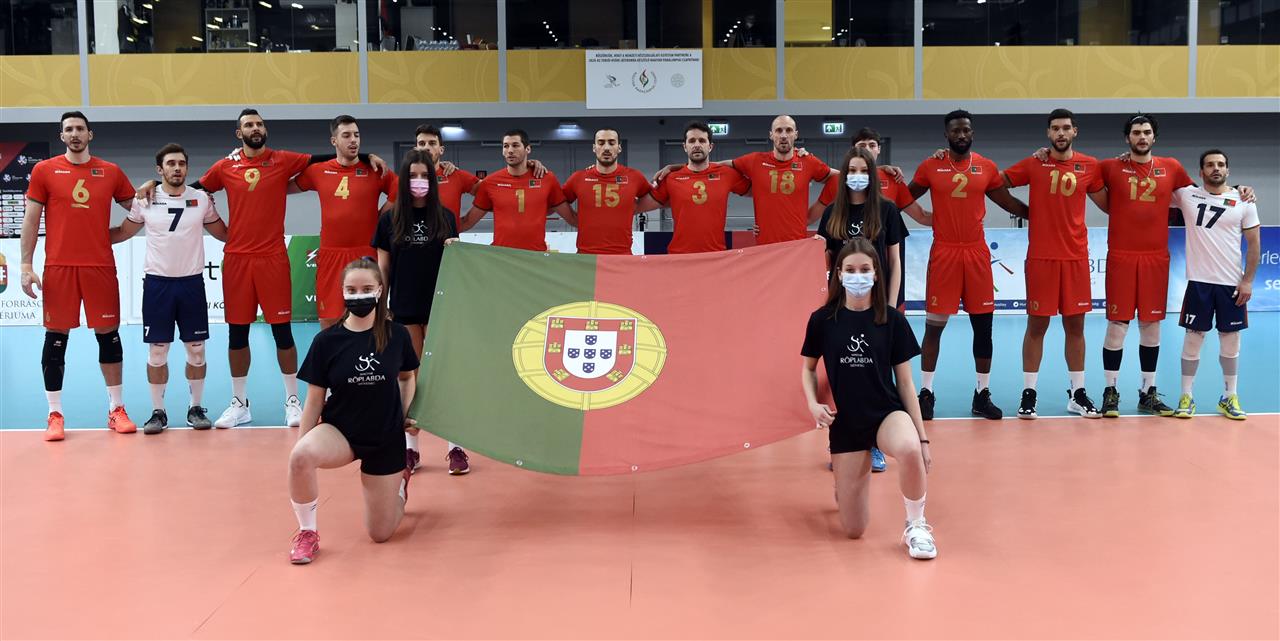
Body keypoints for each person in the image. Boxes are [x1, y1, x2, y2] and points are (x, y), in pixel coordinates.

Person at [136, 108, 384, 428]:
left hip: (273, 258)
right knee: (238, 334)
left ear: (265, 130)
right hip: (237, 260)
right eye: (248, 125)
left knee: (283, 332)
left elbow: (324, 157)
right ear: (239, 133)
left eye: (259, 124)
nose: (255, 128)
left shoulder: (283, 160)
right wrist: (154, 184)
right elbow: (190, 188)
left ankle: (292, 401)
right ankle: (240, 403)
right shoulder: (225, 166)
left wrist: (364, 156)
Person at [800, 238, 936, 560]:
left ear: (876, 274)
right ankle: (845, 482)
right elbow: (808, 369)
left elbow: (906, 384)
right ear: (839, 274)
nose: (857, 276)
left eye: (864, 269)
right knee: (853, 529)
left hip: (886, 414)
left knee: (909, 449)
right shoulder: (822, 320)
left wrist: (922, 439)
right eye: (850, 270)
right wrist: (812, 403)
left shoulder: (892, 320)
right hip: (846, 424)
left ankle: (916, 526)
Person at [287, 258, 420, 564]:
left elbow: (407, 377)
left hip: (385, 438)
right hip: (341, 432)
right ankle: (307, 533)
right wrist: (301, 446)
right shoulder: (326, 341)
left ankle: (401, 483)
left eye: (366, 288)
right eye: (351, 289)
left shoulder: (397, 334)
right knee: (301, 457)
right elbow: (314, 399)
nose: (359, 295)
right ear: (343, 292)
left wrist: (403, 415)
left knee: (380, 533)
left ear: (379, 290)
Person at [20, 111, 139, 441]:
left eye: (80, 129)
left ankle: (116, 409)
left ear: (90, 134)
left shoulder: (111, 171)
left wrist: (118, 233)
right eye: (69, 129)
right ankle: (54, 414)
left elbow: (140, 210)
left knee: (108, 334)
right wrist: (26, 266)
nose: (75, 134)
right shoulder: (44, 170)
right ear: (62, 136)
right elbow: (31, 220)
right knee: (56, 337)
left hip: (99, 267)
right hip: (59, 267)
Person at [905, 110, 1027, 421]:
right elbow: (903, 196)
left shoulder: (986, 167)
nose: (961, 135)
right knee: (934, 328)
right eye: (956, 131)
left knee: (983, 329)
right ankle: (926, 393)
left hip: (976, 254)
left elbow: (1008, 202)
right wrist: (884, 184)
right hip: (944, 253)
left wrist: (1043, 214)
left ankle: (981, 395)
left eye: (966, 130)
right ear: (946, 135)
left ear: (972, 133)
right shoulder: (930, 166)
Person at [109, 143, 228, 433]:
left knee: (196, 351)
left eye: (181, 164)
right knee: (157, 353)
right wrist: (85, 238)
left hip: (191, 285)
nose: (177, 168)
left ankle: (195, 408)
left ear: (187, 168)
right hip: (158, 286)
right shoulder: (145, 199)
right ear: (159, 169)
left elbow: (225, 233)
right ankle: (158, 412)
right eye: (171, 164)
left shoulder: (201, 199)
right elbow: (124, 232)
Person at [1004, 108, 1105, 419]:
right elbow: (995, 183)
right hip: (1042, 258)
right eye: (1055, 128)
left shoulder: (1090, 165)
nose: (1061, 133)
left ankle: (1078, 393)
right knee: (1037, 325)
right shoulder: (1034, 163)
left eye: (1066, 128)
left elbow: (1111, 205)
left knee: (1076, 327)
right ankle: (1029, 393)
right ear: (1048, 133)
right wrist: (1024, 211)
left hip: (1075, 257)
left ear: (1075, 131)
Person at [373, 149, 468, 475]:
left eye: (424, 176)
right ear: (404, 180)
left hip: (440, 307)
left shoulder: (446, 218)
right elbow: (383, 268)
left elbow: (457, 265)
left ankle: (456, 446)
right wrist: (381, 308)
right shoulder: (389, 220)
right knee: (411, 378)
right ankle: (411, 448)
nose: (418, 181)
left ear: (433, 180)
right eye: (412, 176)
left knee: (445, 375)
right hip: (404, 307)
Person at [1094, 114, 1194, 417]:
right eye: (1136, 132)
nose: (1142, 137)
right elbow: (1077, 171)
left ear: (1154, 137)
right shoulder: (1109, 167)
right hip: (1122, 256)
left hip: (1155, 258)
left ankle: (1147, 392)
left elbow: (1199, 196)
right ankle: (1111, 391)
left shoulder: (1172, 167)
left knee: (1151, 327)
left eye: (1147, 132)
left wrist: (1237, 189)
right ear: (1127, 138)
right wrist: (1045, 153)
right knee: (1117, 326)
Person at [1170, 150, 1260, 420]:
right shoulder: (1186, 195)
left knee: (1230, 342)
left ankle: (1229, 396)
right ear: (1201, 172)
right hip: (1199, 283)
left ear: (1228, 171)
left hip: (1231, 284)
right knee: (1192, 340)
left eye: (1221, 164)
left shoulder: (1244, 200)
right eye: (1210, 165)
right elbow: (1153, 182)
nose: (1216, 168)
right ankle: (1186, 396)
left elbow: (1254, 244)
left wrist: (1247, 281)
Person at [654, 115, 835, 245]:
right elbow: (713, 166)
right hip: (764, 247)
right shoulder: (755, 160)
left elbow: (836, 177)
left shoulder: (807, 161)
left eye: (788, 130)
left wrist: (810, 216)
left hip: (797, 245)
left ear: (796, 134)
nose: (783, 135)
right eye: (778, 130)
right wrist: (680, 167)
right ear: (771, 135)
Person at [294, 115, 397, 329]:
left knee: (371, 319)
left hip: (366, 253)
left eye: (356, 135)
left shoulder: (375, 170)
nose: (353, 140)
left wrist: (380, 218)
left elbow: (401, 190)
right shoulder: (318, 170)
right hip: (331, 254)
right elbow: (280, 185)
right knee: (329, 320)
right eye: (347, 135)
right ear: (334, 141)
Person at [459, 129, 574, 250]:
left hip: (536, 255)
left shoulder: (547, 179)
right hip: (502, 255)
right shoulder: (490, 183)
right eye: (506, 146)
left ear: (528, 149)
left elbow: (571, 217)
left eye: (515, 145)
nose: (510, 150)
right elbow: (467, 221)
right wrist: (445, 233)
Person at [649, 121, 751, 254]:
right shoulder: (670, 178)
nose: (697, 145)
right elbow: (640, 206)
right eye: (692, 141)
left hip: (715, 255)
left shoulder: (726, 174)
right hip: (680, 256)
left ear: (710, 146)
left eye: (702, 141)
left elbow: (760, 192)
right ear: (685, 146)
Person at [561, 128, 662, 255]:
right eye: (601, 143)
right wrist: (575, 220)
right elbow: (555, 204)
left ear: (619, 148)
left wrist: (673, 167)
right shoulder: (578, 178)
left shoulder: (634, 177)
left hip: (622, 256)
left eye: (612, 142)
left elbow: (659, 198)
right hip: (586, 256)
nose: (606, 148)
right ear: (594, 148)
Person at [414, 124, 479, 227]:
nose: (426, 147)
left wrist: (465, 222)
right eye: (422, 144)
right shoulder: (405, 179)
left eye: (432, 143)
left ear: (441, 150)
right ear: (416, 149)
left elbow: (489, 194)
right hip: (416, 236)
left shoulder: (456, 175)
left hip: (449, 237)